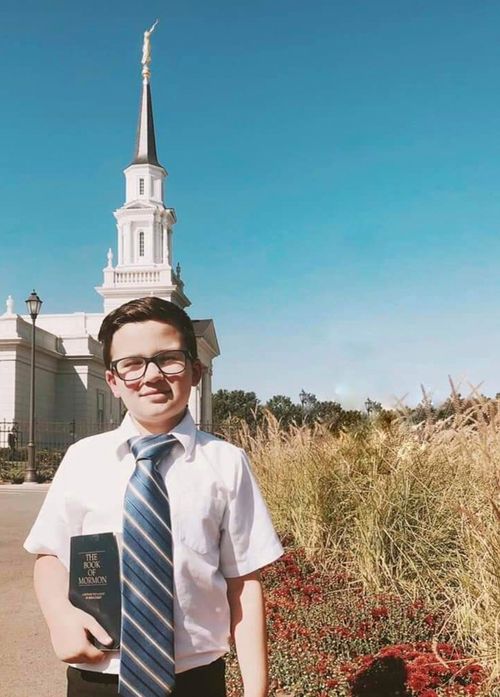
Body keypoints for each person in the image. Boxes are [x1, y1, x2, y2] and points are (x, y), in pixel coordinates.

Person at [24, 296, 283, 697]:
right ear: (112, 380)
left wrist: (256, 691)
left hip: (195, 677)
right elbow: (50, 556)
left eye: (169, 359)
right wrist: (60, 617)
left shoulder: (226, 463)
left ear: (196, 371)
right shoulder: (83, 459)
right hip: (98, 673)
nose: (151, 375)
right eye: (131, 363)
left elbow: (243, 582)